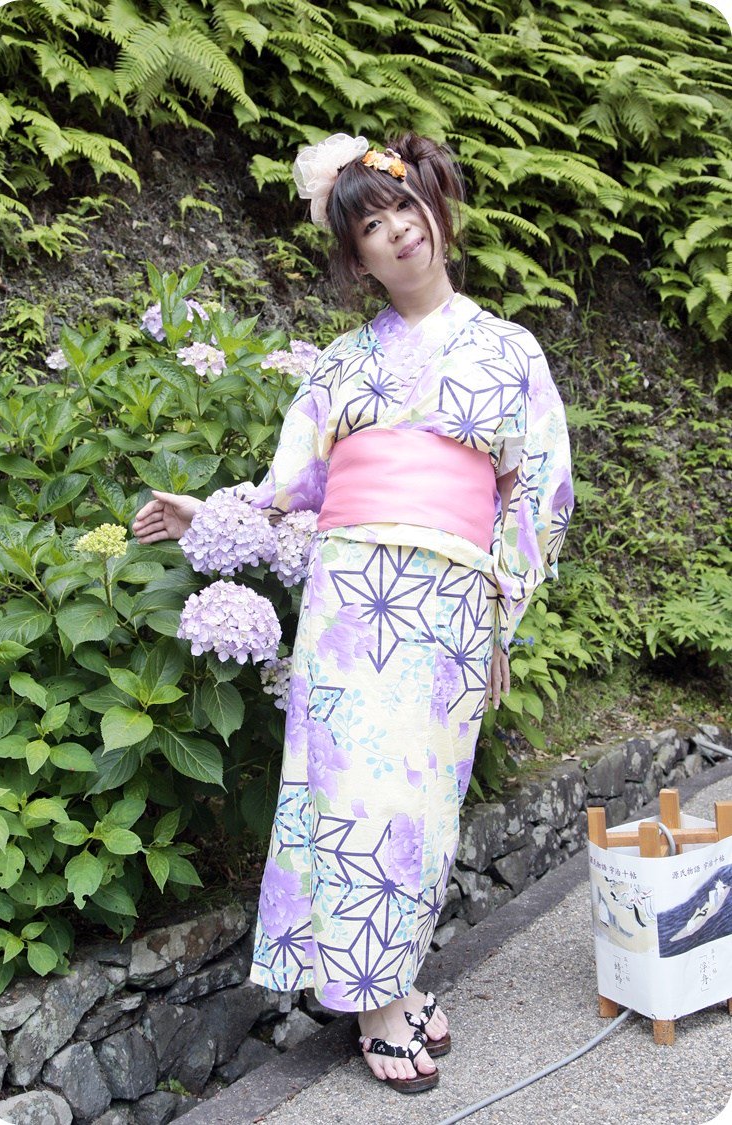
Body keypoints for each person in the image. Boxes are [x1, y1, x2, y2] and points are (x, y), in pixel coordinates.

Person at [132, 132, 573, 1094]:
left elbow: (538, 499)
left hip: (450, 604)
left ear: (438, 210)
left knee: (424, 804)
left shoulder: (512, 351)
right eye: (371, 225)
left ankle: (392, 975)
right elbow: (291, 486)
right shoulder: (340, 364)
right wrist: (207, 513)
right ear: (357, 256)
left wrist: (501, 616)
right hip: (349, 605)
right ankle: (375, 1004)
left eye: (405, 207)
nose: (398, 231)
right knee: (354, 796)